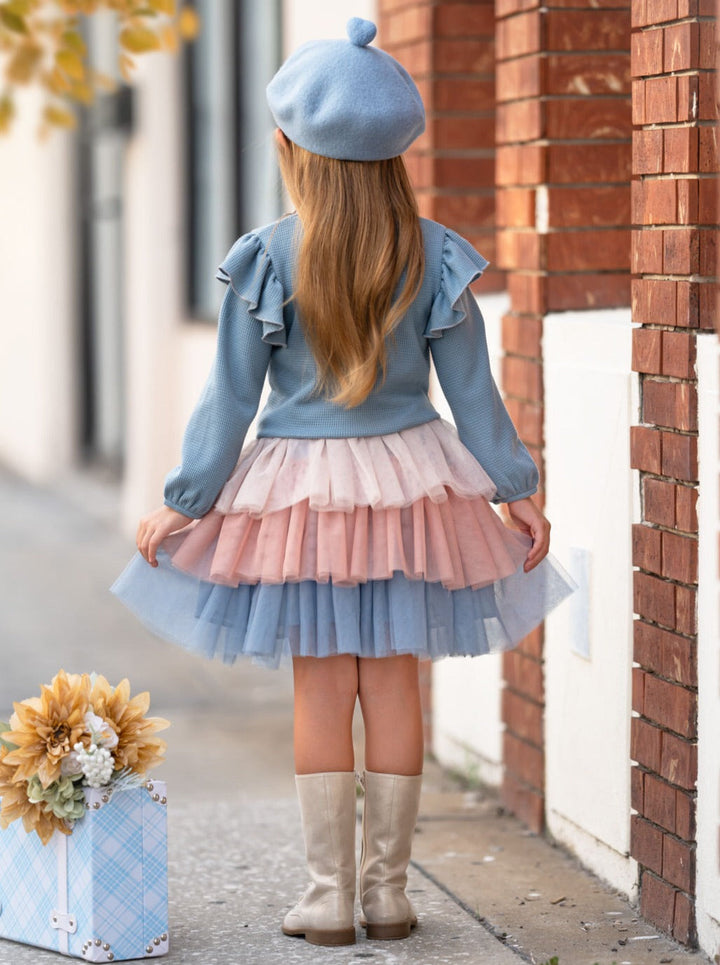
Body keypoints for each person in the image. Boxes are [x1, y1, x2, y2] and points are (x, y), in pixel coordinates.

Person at [112, 17, 575, 948]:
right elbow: (474, 394)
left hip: (300, 500)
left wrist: (186, 496)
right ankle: (389, 893)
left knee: (321, 688)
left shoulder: (265, 256)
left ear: (289, 147)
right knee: (393, 682)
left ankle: (327, 898)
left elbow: (229, 398)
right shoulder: (436, 253)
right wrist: (514, 485)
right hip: (412, 487)